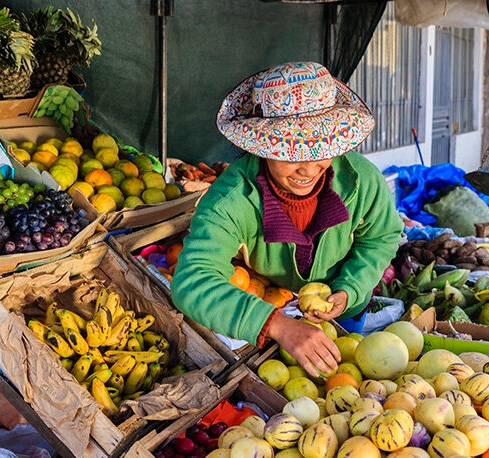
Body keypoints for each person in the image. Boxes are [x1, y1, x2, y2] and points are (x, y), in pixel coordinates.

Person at [170, 61, 404, 378]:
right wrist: (275, 324)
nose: (308, 169)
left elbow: (382, 237)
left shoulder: (361, 179)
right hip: (264, 311)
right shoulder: (231, 199)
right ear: (262, 147)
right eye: (290, 153)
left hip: (343, 309)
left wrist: (350, 289)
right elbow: (191, 280)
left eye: (321, 149)